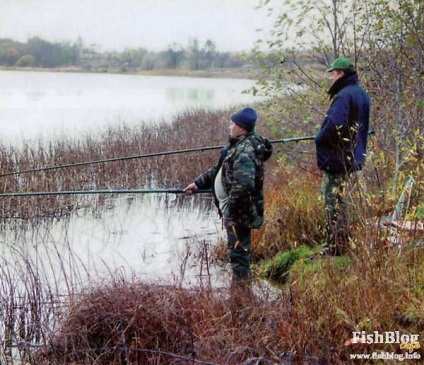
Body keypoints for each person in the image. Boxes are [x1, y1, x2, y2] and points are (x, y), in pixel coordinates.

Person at [184, 107, 273, 282]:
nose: (229, 127)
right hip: (235, 211)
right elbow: (220, 171)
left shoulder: (245, 150)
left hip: (239, 212)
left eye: (232, 124)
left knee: (239, 253)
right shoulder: (237, 145)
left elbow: (243, 185)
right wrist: (197, 183)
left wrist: (230, 209)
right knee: (238, 251)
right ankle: (241, 292)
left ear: (241, 127)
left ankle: (241, 293)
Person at [315, 57, 371, 255]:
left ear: (340, 74)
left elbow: (335, 125)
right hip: (352, 156)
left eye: (333, 73)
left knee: (333, 202)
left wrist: (319, 138)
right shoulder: (361, 94)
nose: (331, 76)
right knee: (344, 200)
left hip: (338, 159)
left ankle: (334, 248)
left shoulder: (344, 95)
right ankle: (344, 244)